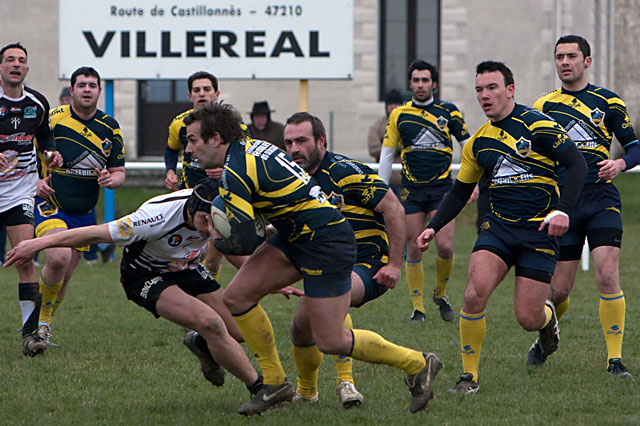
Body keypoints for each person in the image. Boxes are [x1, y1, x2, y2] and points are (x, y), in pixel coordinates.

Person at [184, 102, 442, 417]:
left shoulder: (239, 166)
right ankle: (275, 383)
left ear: (215, 138)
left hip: (325, 241)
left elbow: (245, 240)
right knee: (236, 297)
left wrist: (214, 235)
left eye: (193, 140)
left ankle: (417, 363)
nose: (189, 148)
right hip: (295, 236)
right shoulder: (249, 149)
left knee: (331, 339)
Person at [5, 180, 265, 399]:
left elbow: (231, 245)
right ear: (192, 210)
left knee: (241, 329)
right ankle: (262, 390)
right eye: (204, 222)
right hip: (145, 275)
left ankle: (201, 344)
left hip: (187, 267)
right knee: (210, 322)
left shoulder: (222, 209)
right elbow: (95, 234)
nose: (211, 231)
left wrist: (266, 276)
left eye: (215, 224)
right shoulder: (153, 218)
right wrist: (36, 244)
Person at [417, 60, 587, 393]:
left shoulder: (539, 124)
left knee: (528, 318)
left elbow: (577, 165)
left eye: (492, 87)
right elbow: (460, 191)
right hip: (498, 229)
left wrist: (563, 212)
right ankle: (469, 377)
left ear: (510, 90)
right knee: (473, 293)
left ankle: (547, 324)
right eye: (479, 89)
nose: (484, 95)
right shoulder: (478, 142)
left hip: (538, 231)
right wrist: (433, 226)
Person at [529, 35, 639, 377]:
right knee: (560, 289)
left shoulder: (607, 101)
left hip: (601, 198)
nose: (565, 62)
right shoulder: (544, 106)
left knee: (607, 274)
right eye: (559, 56)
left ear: (586, 61)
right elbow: (533, 154)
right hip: (563, 204)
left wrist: (619, 165)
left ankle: (615, 360)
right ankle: (545, 337)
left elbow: (634, 147)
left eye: (572, 56)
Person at [284, 112, 405, 408]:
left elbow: (394, 209)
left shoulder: (345, 171)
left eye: (301, 140)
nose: (294, 149)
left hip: (368, 263)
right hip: (326, 264)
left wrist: (394, 264)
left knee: (331, 295)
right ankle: (307, 392)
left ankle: (346, 383)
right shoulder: (289, 178)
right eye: (288, 142)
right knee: (300, 328)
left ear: (321, 141)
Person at [33, 66, 126, 347]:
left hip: (84, 212)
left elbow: (120, 173)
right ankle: (37, 326)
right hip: (50, 204)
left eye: (92, 85)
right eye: (82, 84)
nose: (87, 89)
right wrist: (35, 182)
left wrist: (112, 179)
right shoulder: (52, 120)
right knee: (58, 258)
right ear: (71, 90)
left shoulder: (110, 127)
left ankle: (43, 324)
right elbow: (28, 151)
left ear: (99, 91)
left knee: (66, 273)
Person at [378, 60, 470, 323]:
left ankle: (440, 294)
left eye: (425, 80)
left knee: (445, 246)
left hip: (443, 189)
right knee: (413, 248)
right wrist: (381, 192)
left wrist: (471, 182)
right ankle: (418, 308)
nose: (420, 85)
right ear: (410, 84)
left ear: (434, 84)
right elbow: (386, 154)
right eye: (416, 80)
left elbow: (469, 147)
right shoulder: (399, 115)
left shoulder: (449, 111)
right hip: (412, 191)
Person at [0, 42, 63, 356]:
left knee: (24, 259)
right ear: (1, 67)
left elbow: (45, 134)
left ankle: (31, 336)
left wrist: (51, 153)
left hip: (18, 192)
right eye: (10, 59)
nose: (16, 64)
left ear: (26, 68)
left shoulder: (36, 102)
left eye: (21, 60)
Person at [367, 89, 403, 191]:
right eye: (390, 104)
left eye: (396, 104)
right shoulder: (377, 126)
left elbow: (411, 145)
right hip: (385, 184)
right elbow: (373, 150)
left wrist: (387, 144)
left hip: (405, 183)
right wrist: (396, 147)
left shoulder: (408, 124)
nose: (393, 107)